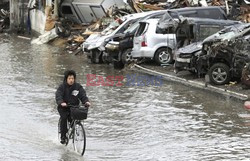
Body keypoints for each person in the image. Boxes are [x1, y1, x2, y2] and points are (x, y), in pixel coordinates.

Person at [55, 70, 91, 144]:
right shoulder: (62, 87)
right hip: (63, 107)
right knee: (64, 118)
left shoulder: (78, 87)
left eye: (72, 78)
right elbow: (58, 96)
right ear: (66, 79)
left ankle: (75, 132)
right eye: (69, 78)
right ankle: (63, 136)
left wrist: (86, 101)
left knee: (75, 118)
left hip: (74, 107)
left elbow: (83, 95)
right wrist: (61, 102)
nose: (71, 80)